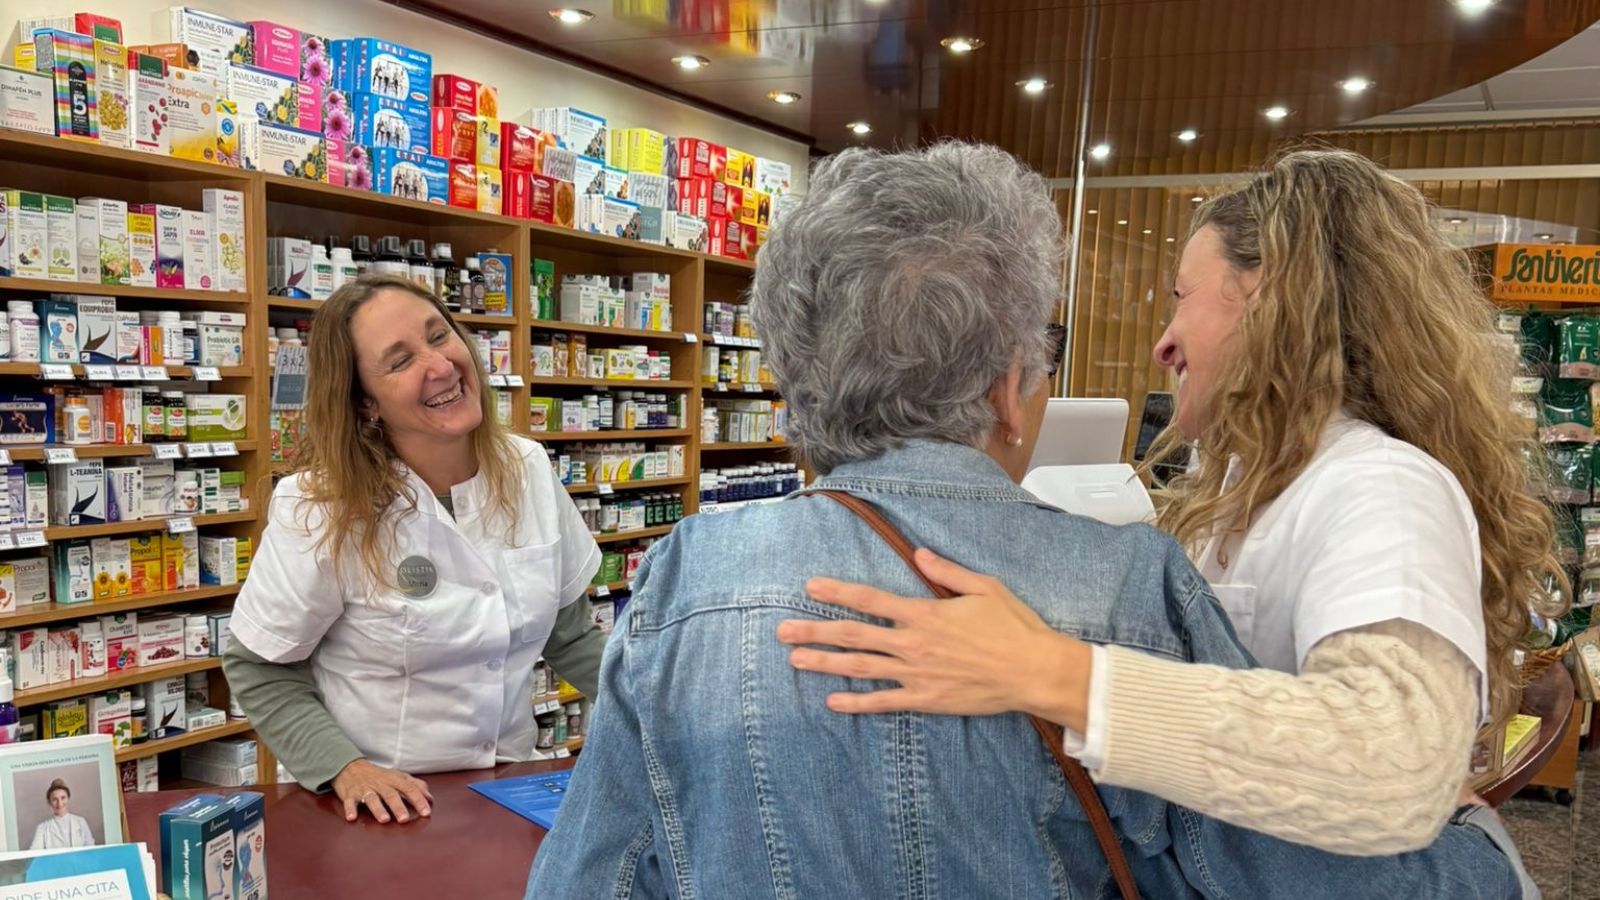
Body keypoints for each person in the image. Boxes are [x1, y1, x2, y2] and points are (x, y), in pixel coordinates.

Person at [526, 142, 1533, 899]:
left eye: (1180, 299)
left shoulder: (690, 572)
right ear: (1010, 390)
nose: (1163, 340)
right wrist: (1480, 861)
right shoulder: (1133, 580)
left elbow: (598, 868)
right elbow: (1249, 870)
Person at [776, 148, 1565, 855]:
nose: (1163, 341)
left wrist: (1049, 670)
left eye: (1184, 296)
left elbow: (1391, 766)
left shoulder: (1379, 484)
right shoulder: (1249, 481)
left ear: (1275, 301)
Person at [223, 276, 606, 826]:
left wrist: (668, 717)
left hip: (512, 787)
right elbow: (259, 666)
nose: (441, 366)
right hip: (380, 806)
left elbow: (570, 637)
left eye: (439, 335)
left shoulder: (528, 468)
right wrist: (344, 768)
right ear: (364, 401)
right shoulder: (319, 505)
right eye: (400, 361)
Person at [30, 779, 94, 850]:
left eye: (63, 798)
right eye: (55, 799)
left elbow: (91, 849)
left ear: (68, 799)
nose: (60, 804)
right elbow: (35, 852)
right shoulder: (42, 828)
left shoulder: (81, 822)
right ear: (49, 802)